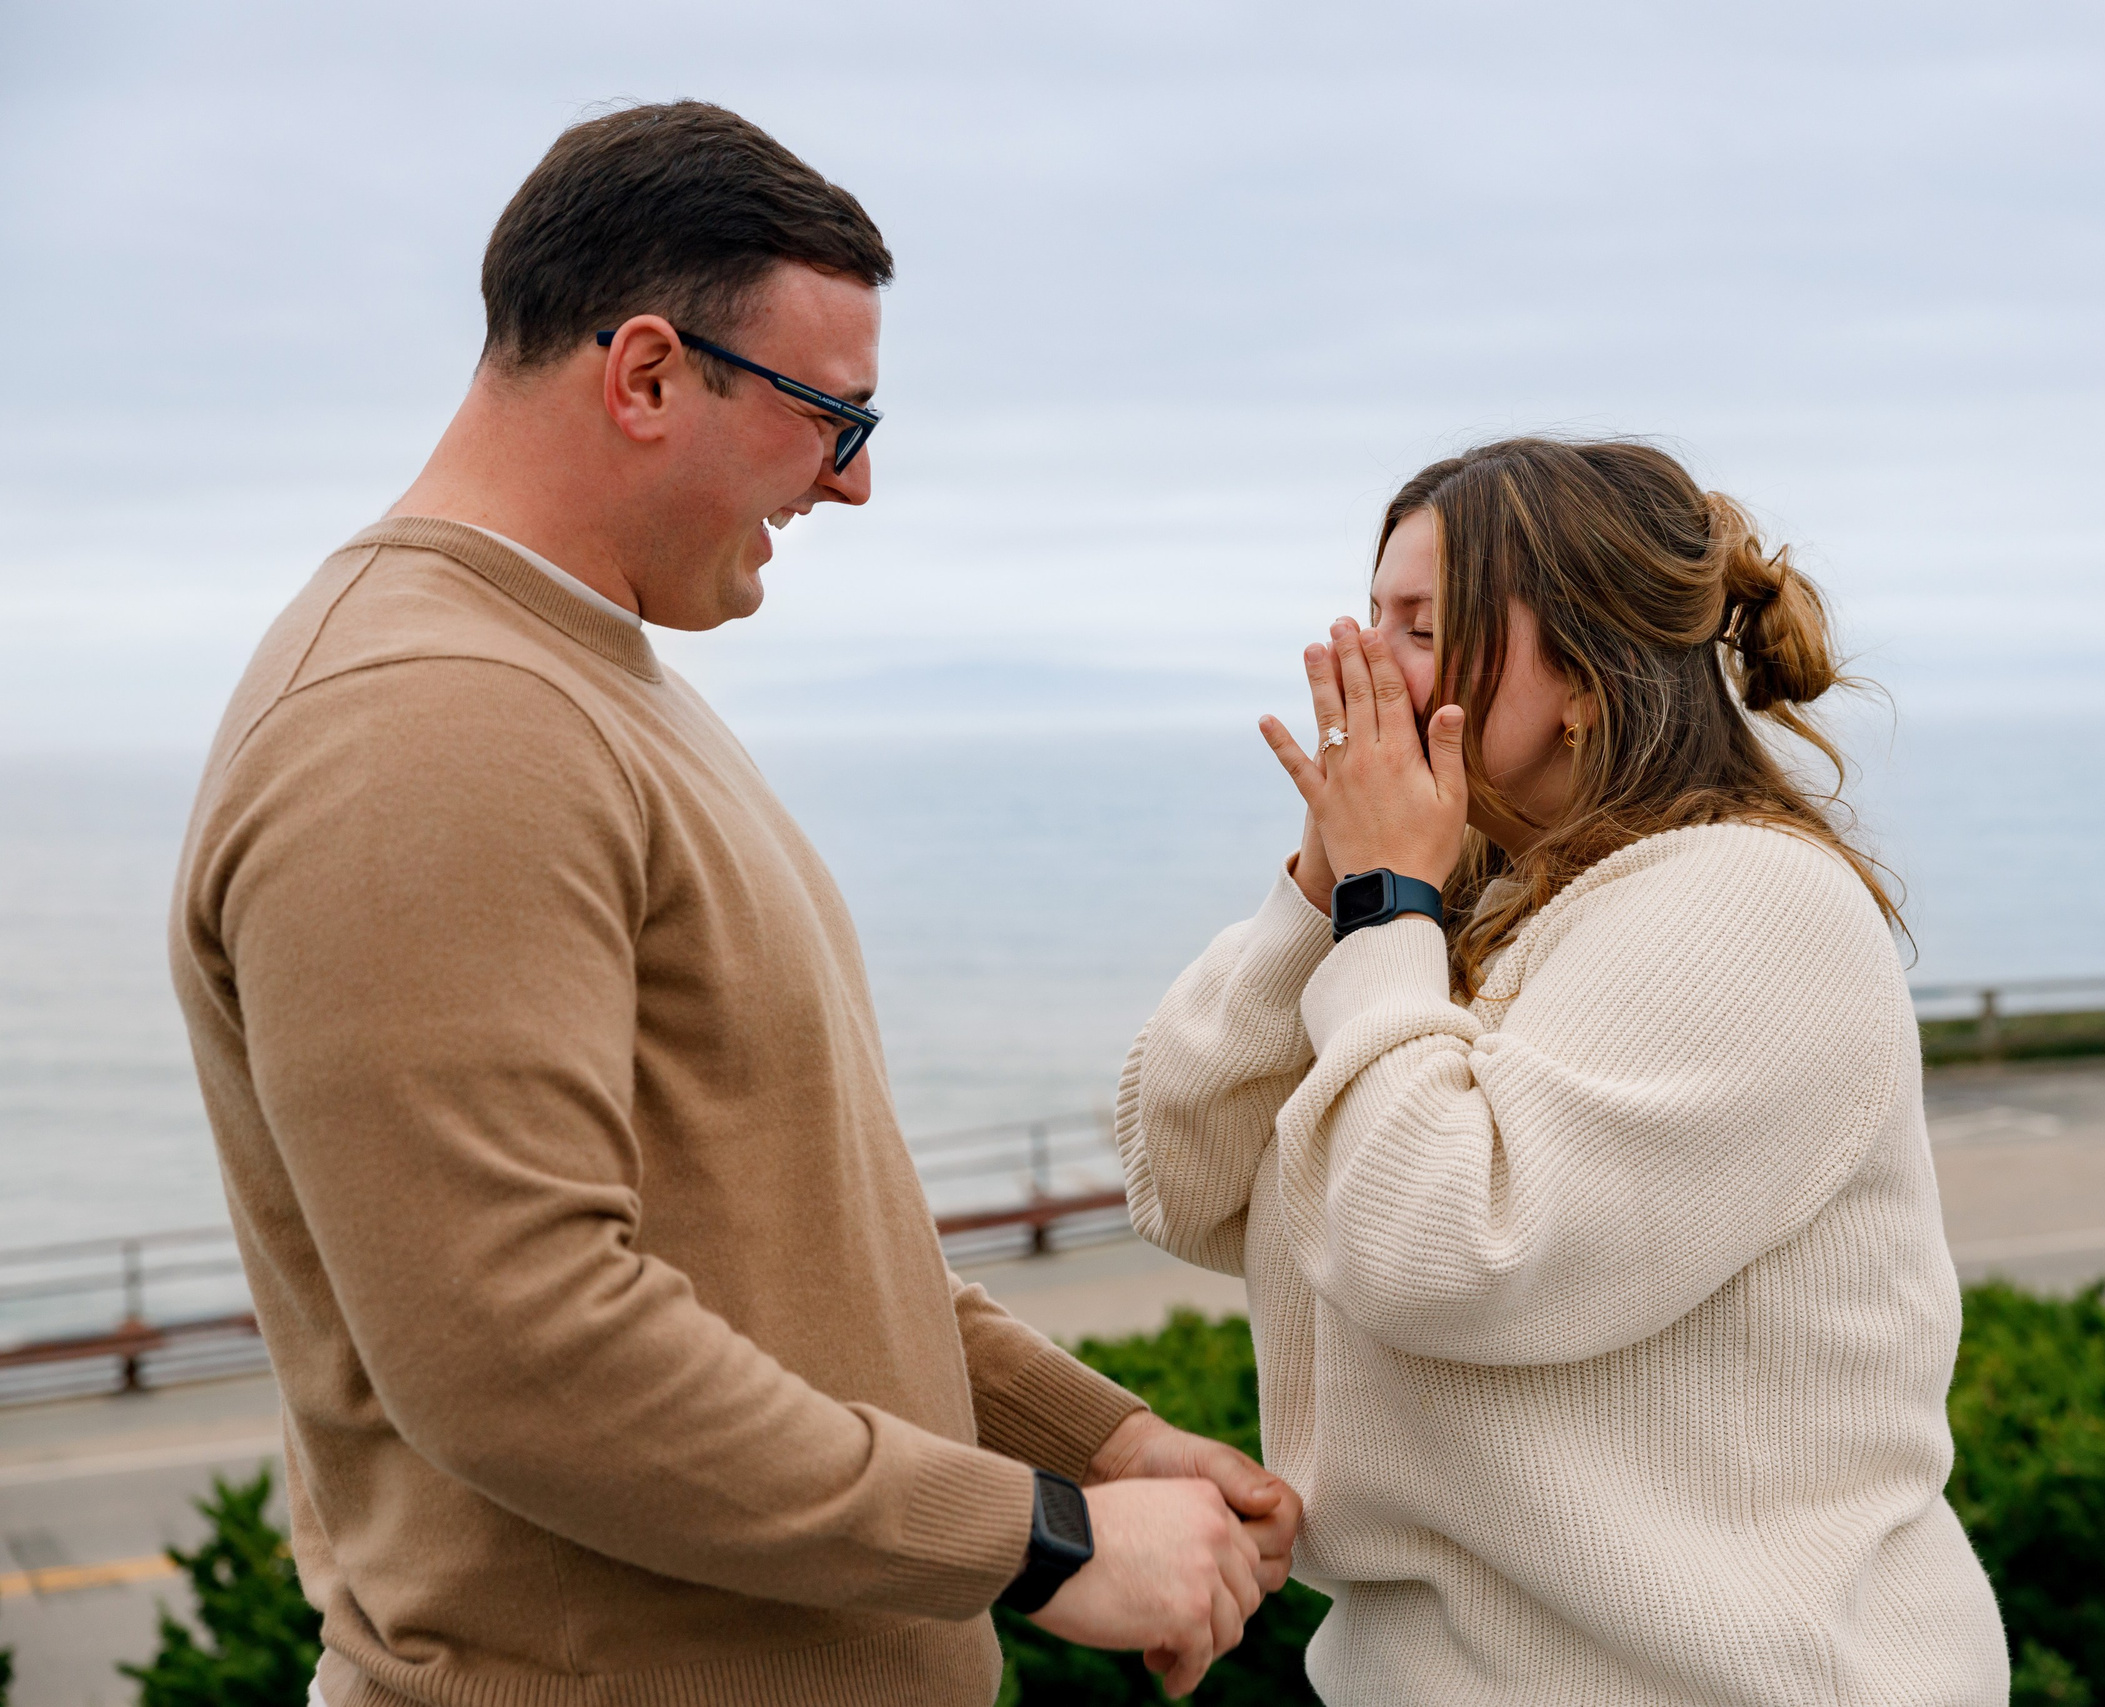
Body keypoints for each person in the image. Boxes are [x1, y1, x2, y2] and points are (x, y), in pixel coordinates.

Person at [170, 101, 1297, 1707]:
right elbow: (525, 1354)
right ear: (643, 375)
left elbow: (795, 1225)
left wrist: (1094, 1438)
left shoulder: (577, 677)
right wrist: (1043, 1539)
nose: (850, 486)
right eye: (832, 417)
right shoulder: (427, 721)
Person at [1116, 438, 2009, 1703]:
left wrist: (1383, 909)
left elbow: (1451, 1253)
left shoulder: (1750, 905)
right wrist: (1323, 890)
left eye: (1421, 628)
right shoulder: (1459, 909)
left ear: (1582, 677)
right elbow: (1181, 1180)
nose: (1367, 665)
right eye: (1373, 617)